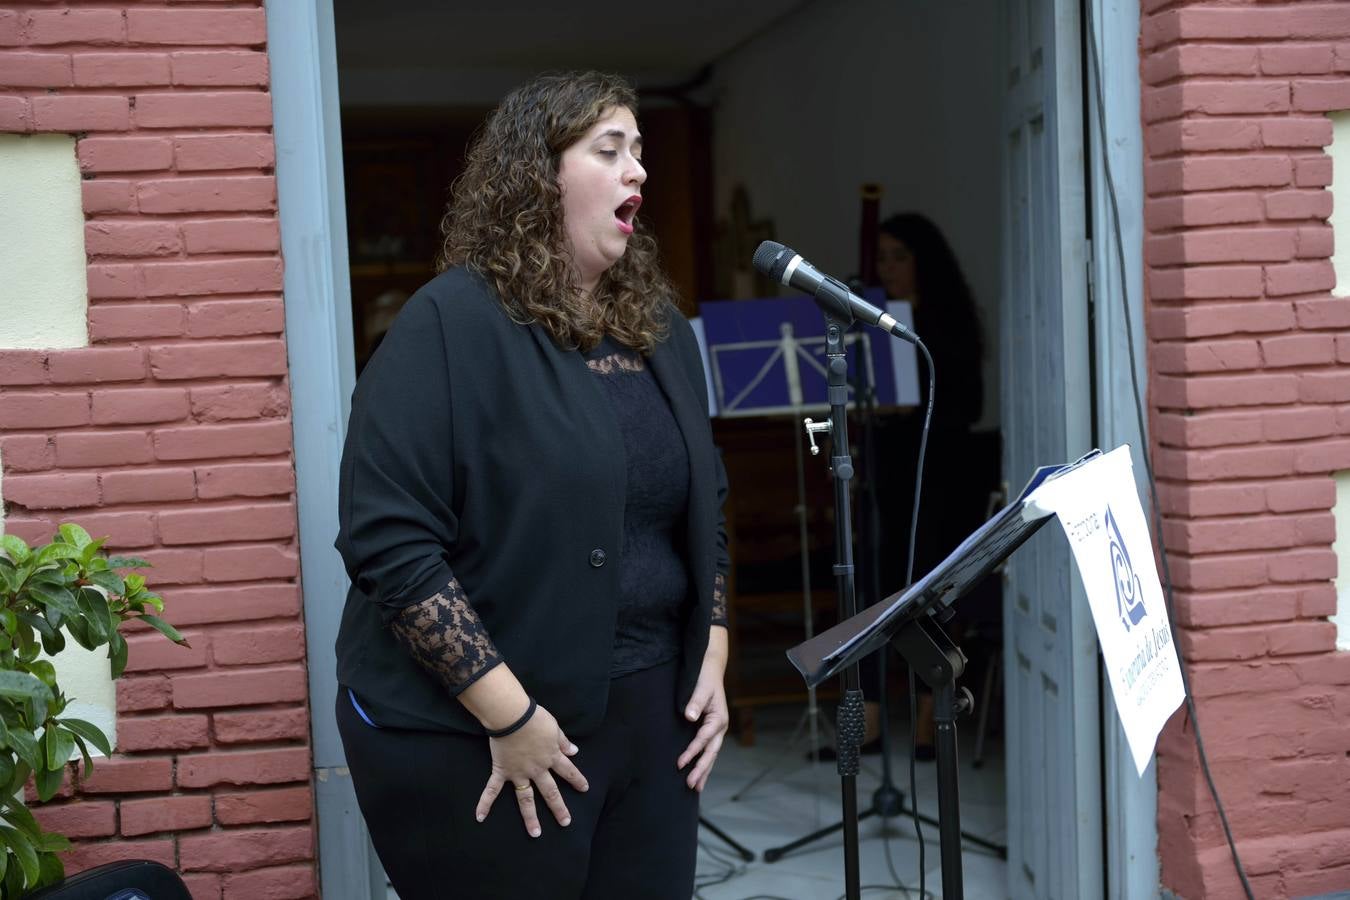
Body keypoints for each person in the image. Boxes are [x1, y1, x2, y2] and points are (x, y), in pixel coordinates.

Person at [333, 71, 731, 900]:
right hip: (478, 732)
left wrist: (715, 651)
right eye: (609, 150)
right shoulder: (448, 324)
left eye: (639, 152)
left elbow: (707, 508)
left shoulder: (659, 328)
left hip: (653, 716)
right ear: (541, 175)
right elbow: (387, 542)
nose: (637, 170)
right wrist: (509, 716)